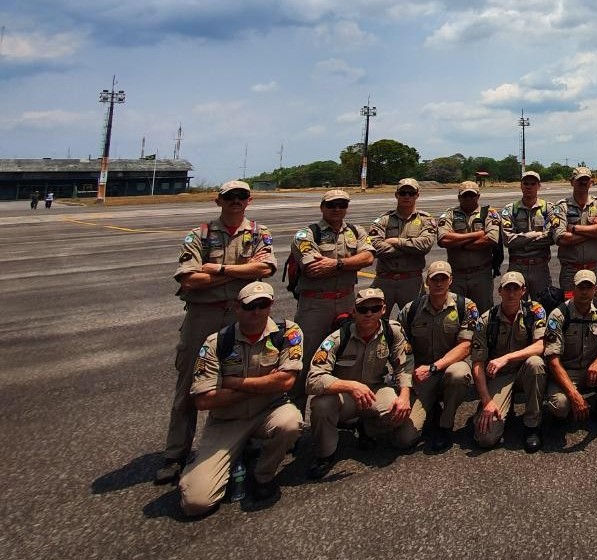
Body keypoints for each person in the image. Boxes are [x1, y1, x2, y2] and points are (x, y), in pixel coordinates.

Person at [158, 180, 276, 485]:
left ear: (249, 200)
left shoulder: (259, 233)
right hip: (204, 315)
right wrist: (242, 270)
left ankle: (242, 439)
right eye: (229, 196)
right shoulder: (199, 235)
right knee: (190, 385)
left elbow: (265, 270)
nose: (235, 201)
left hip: (245, 316)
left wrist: (218, 270)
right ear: (218, 200)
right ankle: (175, 453)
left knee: (244, 377)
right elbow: (188, 280)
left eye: (241, 196)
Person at [178, 282, 304, 516]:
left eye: (262, 304)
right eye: (249, 306)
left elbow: (286, 382)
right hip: (228, 421)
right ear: (237, 307)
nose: (256, 311)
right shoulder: (217, 342)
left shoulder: (286, 332)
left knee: (291, 422)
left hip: (268, 411)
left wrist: (235, 383)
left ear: (271, 305)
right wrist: (264, 383)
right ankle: (206, 462)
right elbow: (204, 401)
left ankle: (262, 474)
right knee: (196, 504)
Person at [305, 288, 416, 479]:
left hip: (374, 391)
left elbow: (405, 364)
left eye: (375, 308)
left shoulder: (392, 331)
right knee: (322, 405)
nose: (369, 313)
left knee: (397, 410)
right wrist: (351, 386)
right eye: (363, 309)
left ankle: (366, 428)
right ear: (354, 311)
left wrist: (405, 395)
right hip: (344, 396)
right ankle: (326, 454)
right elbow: (313, 379)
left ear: (383, 309)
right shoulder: (337, 338)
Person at [291, 189, 375, 398]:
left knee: (345, 357)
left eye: (342, 205)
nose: (337, 209)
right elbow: (312, 267)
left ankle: (339, 412)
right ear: (322, 207)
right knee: (304, 360)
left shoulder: (356, 231)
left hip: (347, 301)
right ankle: (295, 414)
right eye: (331, 205)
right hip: (315, 305)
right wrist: (350, 263)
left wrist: (336, 263)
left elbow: (368, 258)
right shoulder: (307, 234)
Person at [397, 261, 479, 452]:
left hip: (448, 368)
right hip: (422, 375)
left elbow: (465, 346)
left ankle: (445, 425)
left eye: (443, 278)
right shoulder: (412, 309)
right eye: (435, 279)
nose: (439, 283)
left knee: (459, 374)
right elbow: (399, 347)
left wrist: (434, 367)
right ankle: (431, 408)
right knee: (404, 439)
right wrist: (404, 381)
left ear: (451, 280)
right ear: (427, 281)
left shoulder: (465, 306)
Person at [543, 270, 597, 433]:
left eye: (588, 287)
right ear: (573, 289)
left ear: (595, 289)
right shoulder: (559, 314)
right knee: (560, 406)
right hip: (568, 371)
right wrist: (574, 395)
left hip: (594, 366)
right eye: (580, 287)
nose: (584, 292)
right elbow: (553, 361)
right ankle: (569, 409)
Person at [471, 272, 549, 452]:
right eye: (507, 288)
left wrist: (507, 357)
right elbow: (477, 363)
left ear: (524, 291)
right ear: (499, 291)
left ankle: (532, 426)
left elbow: (540, 346)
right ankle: (496, 404)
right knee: (486, 438)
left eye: (516, 288)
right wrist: (486, 401)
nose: (511, 293)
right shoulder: (486, 319)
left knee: (536, 363)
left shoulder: (535, 311)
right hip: (500, 377)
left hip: (525, 371)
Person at [368, 178, 437, 313]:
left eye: (411, 193)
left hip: (411, 281)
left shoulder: (425, 219)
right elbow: (375, 247)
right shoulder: (384, 219)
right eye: (403, 193)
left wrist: (396, 241)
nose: (407, 196)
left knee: (415, 322)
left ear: (417, 195)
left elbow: (425, 245)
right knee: (376, 322)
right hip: (384, 281)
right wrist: (411, 249)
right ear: (396, 195)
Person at [436, 180, 502, 311]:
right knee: (455, 313)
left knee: (484, 314)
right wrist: (475, 235)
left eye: (472, 195)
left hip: (481, 274)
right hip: (457, 275)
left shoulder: (488, 213)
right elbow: (443, 239)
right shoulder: (450, 214)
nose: (469, 198)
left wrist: (458, 243)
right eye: (465, 196)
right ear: (459, 197)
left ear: (478, 196)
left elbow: (491, 239)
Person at [554, 166, 597, 291]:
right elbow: (561, 238)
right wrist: (594, 230)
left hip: (596, 270)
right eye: (579, 180)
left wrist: (575, 229)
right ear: (571, 182)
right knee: (570, 306)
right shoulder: (562, 207)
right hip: (571, 272)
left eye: (586, 180)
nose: (583, 183)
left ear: (591, 183)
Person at [500, 171, 559, 297]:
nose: (529, 186)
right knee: (516, 305)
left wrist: (522, 241)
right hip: (517, 266)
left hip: (540, 267)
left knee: (543, 305)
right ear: (520, 185)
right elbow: (508, 240)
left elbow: (551, 237)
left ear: (539, 186)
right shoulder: (510, 209)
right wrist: (532, 235)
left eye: (533, 183)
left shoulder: (548, 208)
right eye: (526, 183)